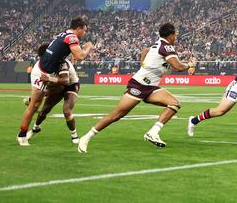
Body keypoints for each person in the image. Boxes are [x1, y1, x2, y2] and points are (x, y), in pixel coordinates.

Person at [77, 23, 189, 153]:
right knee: (117, 114)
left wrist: (143, 65)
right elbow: (178, 66)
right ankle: (86, 137)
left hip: (151, 87)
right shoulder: (166, 46)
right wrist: (188, 65)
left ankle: (153, 132)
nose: (176, 36)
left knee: (174, 103)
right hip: (140, 85)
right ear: (170, 35)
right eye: (175, 34)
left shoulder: (158, 44)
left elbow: (144, 50)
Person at [17, 17, 93, 146]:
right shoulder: (72, 37)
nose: (84, 33)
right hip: (43, 72)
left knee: (39, 103)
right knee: (34, 105)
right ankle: (22, 135)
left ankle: (26, 130)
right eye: (84, 30)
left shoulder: (64, 34)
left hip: (46, 70)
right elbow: (79, 56)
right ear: (78, 29)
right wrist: (88, 48)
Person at [26, 57, 80, 144]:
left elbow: (65, 81)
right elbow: (47, 88)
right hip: (57, 85)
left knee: (67, 111)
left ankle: (74, 135)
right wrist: (33, 99)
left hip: (71, 85)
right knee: (44, 110)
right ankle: (35, 128)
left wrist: (49, 79)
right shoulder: (45, 65)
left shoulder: (62, 63)